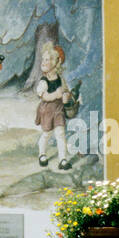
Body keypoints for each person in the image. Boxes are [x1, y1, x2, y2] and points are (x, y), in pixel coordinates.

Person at [28, 32, 73, 170]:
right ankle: (42, 154)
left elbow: (65, 90)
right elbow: (44, 96)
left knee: (60, 133)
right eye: (43, 60)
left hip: (58, 110)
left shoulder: (60, 78)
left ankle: (63, 160)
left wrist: (66, 96)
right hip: (47, 110)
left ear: (56, 62)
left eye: (48, 60)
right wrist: (55, 95)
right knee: (47, 134)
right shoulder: (44, 81)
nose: (44, 62)